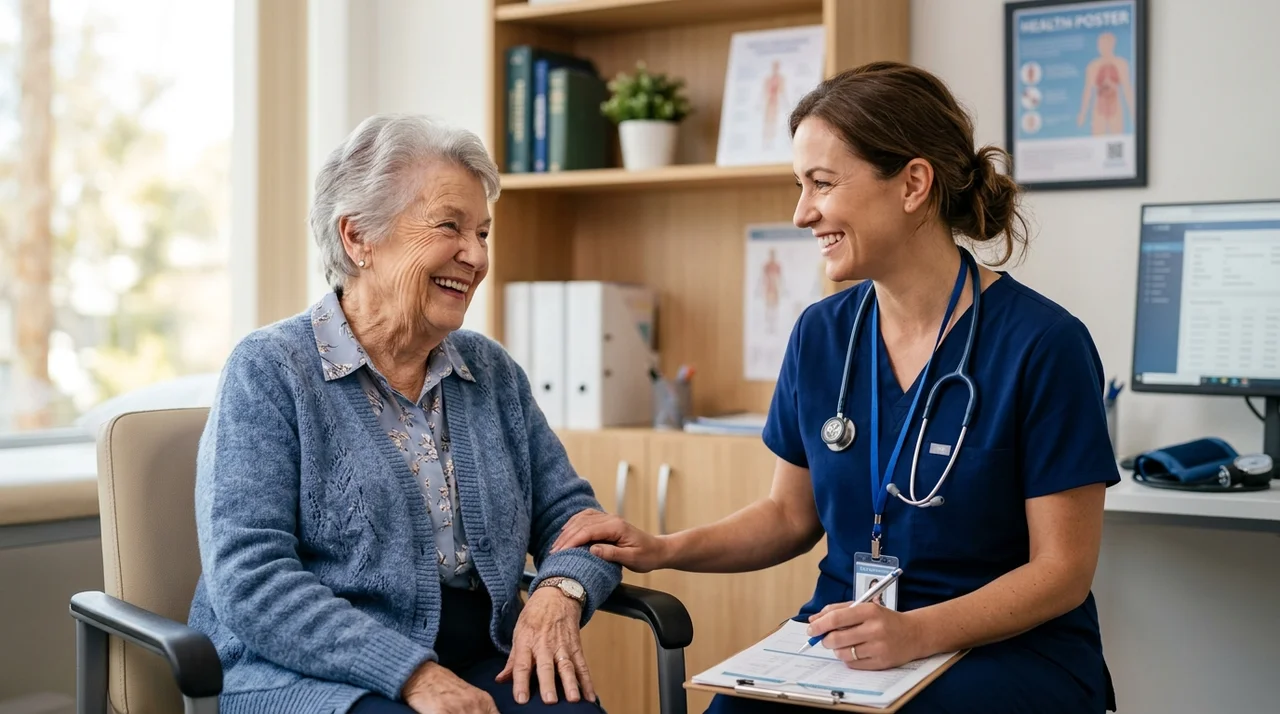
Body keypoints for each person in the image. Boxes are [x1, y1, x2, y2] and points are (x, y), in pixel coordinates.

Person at [551, 61, 1118, 713]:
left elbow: (1062, 574)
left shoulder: (1043, 345)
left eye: (821, 183)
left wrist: (915, 633)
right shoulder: (822, 335)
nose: (801, 214)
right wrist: (664, 548)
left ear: (912, 184)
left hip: (1006, 650)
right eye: (799, 185)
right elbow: (790, 516)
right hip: (849, 639)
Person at [188, 114, 620, 714]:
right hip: (310, 669)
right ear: (357, 237)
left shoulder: (489, 371)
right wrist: (410, 673)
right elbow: (251, 581)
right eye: (450, 226)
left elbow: (578, 521)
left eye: (484, 233)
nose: (475, 255)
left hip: (480, 653)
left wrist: (558, 590)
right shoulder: (269, 371)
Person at [1078, 31, 1134, 135]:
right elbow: (1088, 90)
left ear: (1113, 45)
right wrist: (1082, 114)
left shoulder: (1121, 64)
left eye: (1107, 44)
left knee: (1117, 140)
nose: (1104, 47)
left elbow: (1127, 89)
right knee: (1098, 141)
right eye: (1101, 44)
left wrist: (1133, 111)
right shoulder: (1093, 66)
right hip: (1099, 107)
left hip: (1115, 105)